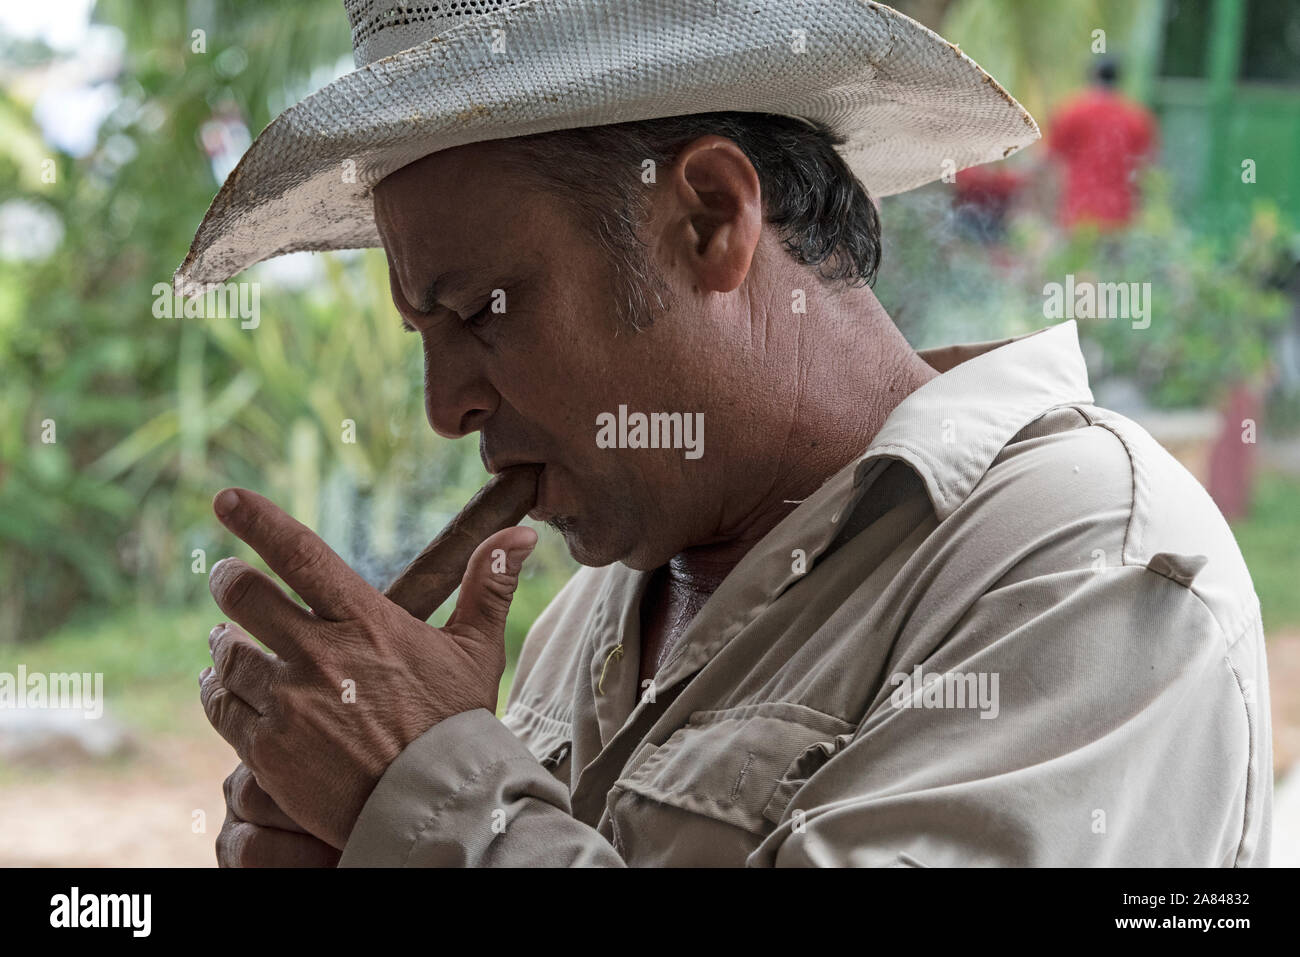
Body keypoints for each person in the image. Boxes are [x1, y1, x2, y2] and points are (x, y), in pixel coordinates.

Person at [185, 0, 1270, 867]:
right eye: (425, 331)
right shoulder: (591, 619)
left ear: (709, 217)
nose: (446, 406)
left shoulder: (1087, 564)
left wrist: (421, 792)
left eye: (481, 314)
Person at [1046, 56, 1159, 231]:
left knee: (1079, 258)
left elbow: (1051, 160)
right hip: (1120, 213)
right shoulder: (1136, 116)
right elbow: (1148, 164)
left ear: (1092, 75)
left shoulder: (1072, 112)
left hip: (1079, 210)